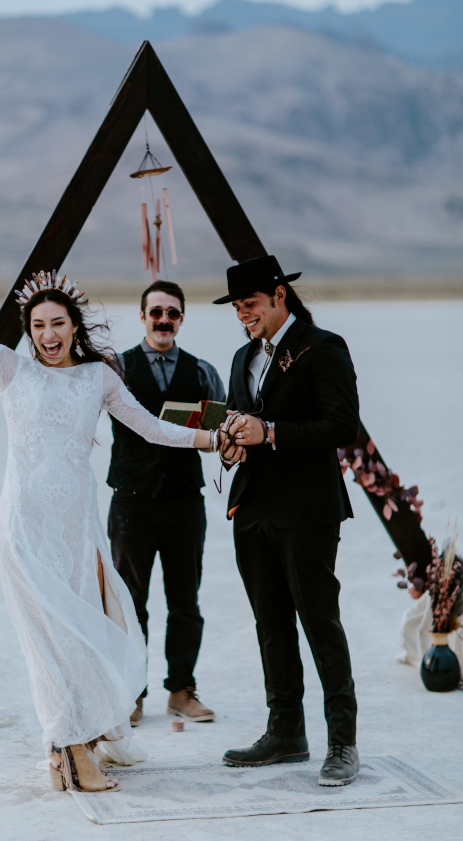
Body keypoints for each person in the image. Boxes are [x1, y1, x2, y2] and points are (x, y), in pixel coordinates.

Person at [0, 226, 219, 794]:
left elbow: (154, 429)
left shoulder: (97, 379)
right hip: (25, 531)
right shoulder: (13, 370)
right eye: (37, 326)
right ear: (28, 333)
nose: (47, 334)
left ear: (75, 327)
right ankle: (74, 752)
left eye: (57, 323)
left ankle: (72, 745)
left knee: (85, 638)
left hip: (79, 534)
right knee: (48, 641)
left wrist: (211, 440)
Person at [214, 255, 361, 787]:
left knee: (320, 622)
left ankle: (342, 743)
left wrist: (271, 432)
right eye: (235, 308)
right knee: (270, 625)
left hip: (308, 511)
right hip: (251, 509)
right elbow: (242, 420)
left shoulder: (323, 348)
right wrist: (232, 443)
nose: (242, 316)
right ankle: (286, 733)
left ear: (279, 295)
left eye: (249, 305)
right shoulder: (240, 357)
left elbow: (343, 426)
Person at [107, 280, 225, 725]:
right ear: (142, 317)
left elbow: (217, 431)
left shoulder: (201, 372)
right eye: (155, 312)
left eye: (172, 313)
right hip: (131, 504)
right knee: (129, 603)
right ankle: (131, 692)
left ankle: (181, 690)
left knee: (185, 601)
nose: (163, 320)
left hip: (184, 505)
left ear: (181, 319)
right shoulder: (115, 367)